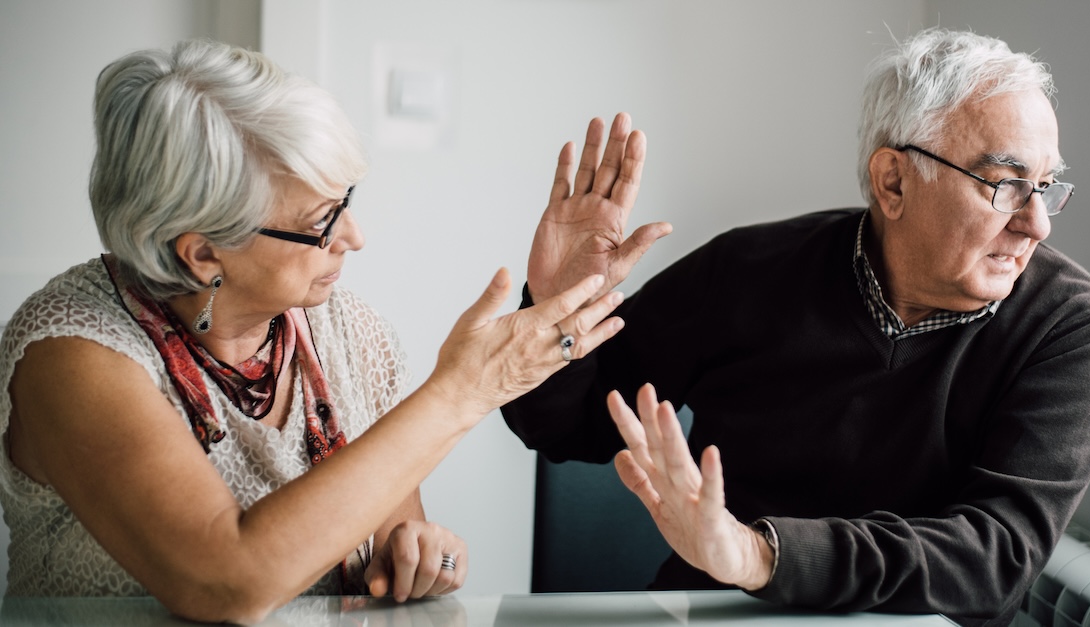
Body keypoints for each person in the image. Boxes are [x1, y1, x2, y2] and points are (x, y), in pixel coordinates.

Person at [502, 27, 1090, 626]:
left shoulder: (1073, 326)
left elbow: (994, 558)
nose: (1037, 224)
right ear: (894, 181)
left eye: (1045, 186)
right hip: (716, 615)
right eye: (1006, 184)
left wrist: (760, 555)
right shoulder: (745, 271)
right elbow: (566, 427)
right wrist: (556, 309)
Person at [0, 40, 640, 624]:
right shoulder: (74, 351)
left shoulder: (349, 334)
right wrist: (462, 391)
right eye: (320, 222)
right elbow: (229, 582)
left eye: (347, 202)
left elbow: (395, 545)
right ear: (201, 254)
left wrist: (425, 559)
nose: (355, 238)